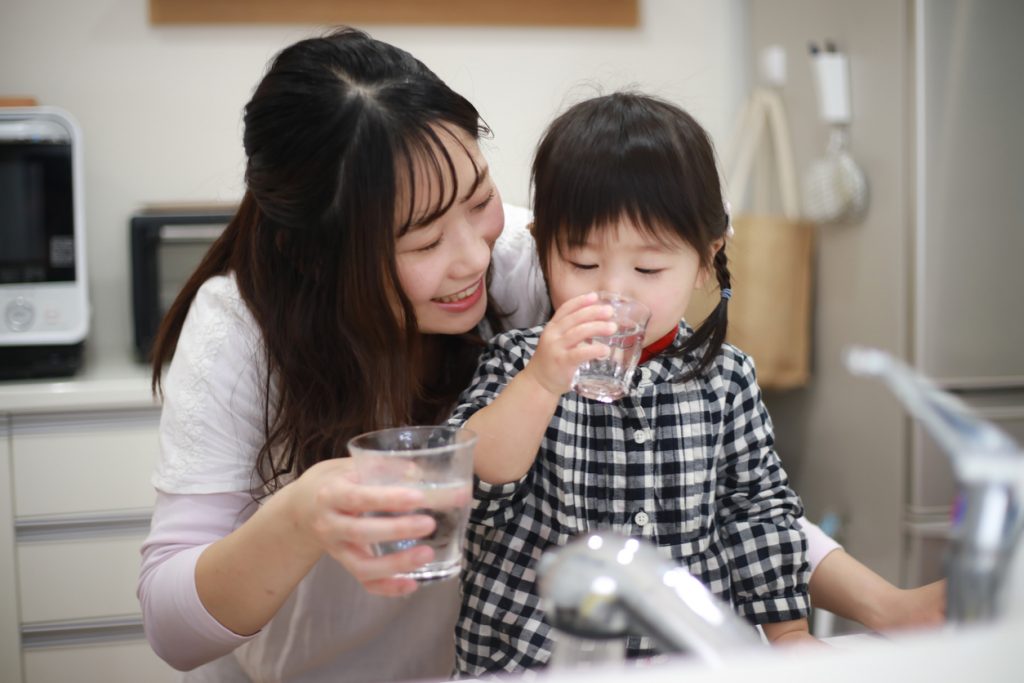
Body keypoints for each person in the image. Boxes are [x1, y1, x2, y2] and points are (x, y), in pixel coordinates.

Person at [137, 27, 941, 683]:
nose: (472, 256)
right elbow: (174, 626)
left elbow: (710, 478)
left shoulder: (540, 259)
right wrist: (304, 510)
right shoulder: (238, 328)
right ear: (321, 255)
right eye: (422, 239)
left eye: (479, 197)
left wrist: (879, 605)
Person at [448, 92, 825, 675]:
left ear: (706, 259)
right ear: (544, 249)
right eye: (580, 262)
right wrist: (543, 382)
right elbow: (474, 484)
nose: (611, 291)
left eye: (648, 269)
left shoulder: (727, 380)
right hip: (535, 660)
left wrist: (790, 633)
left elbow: (759, 515)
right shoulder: (518, 361)